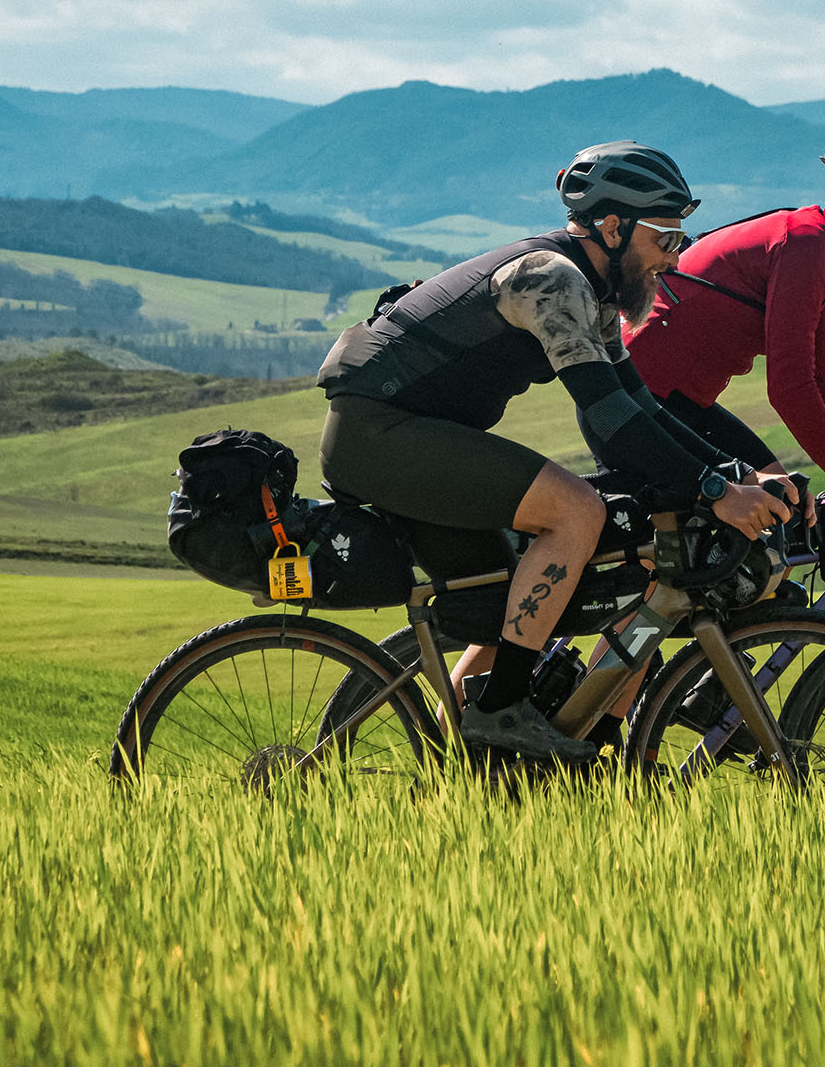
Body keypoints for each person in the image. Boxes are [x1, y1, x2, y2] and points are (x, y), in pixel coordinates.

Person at [315, 141, 795, 762]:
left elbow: (642, 406)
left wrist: (737, 473)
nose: (674, 260)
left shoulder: (593, 294)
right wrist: (716, 492)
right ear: (614, 227)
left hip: (415, 436)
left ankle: (460, 767)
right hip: (378, 434)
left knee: (506, 601)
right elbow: (609, 417)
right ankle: (502, 708)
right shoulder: (550, 279)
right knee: (576, 510)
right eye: (666, 240)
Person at [625, 126, 825, 528]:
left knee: (788, 507)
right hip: (639, 404)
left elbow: (824, 378)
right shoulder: (807, 246)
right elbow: (791, 387)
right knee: (765, 520)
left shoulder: (823, 248)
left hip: (681, 403)